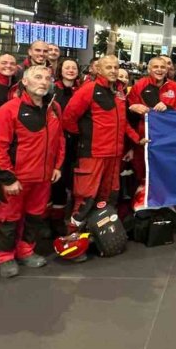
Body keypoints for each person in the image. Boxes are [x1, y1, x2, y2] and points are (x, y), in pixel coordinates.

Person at [0, 66, 65, 278]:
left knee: (35, 217)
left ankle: (25, 250)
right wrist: (8, 178)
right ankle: (4, 256)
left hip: (44, 178)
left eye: (47, 78)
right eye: (38, 78)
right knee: (9, 219)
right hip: (17, 179)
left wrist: (57, 165)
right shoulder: (9, 110)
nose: (43, 82)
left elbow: (60, 140)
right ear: (25, 83)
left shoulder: (54, 108)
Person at [62, 55, 142, 247]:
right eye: (109, 67)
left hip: (114, 156)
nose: (113, 71)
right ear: (98, 69)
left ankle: (98, 237)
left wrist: (138, 140)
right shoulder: (88, 90)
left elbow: (122, 124)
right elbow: (68, 118)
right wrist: (87, 137)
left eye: (116, 67)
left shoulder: (119, 92)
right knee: (85, 198)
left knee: (108, 198)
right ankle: (72, 240)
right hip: (92, 154)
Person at [127, 56, 176, 182]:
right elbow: (128, 110)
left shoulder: (175, 87)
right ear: (149, 69)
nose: (159, 70)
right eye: (155, 67)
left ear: (167, 69)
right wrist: (133, 107)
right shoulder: (139, 85)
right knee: (143, 174)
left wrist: (168, 107)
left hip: (168, 139)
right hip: (145, 138)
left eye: (162, 67)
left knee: (165, 174)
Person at [51, 58, 81, 235]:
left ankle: (71, 218)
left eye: (74, 68)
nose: (70, 70)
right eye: (67, 67)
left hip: (76, 142)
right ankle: (54, 221)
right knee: (58, 182)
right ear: (61, 70)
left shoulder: (81, 89)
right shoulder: (53, 89)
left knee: (73, 180)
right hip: (58, 142)